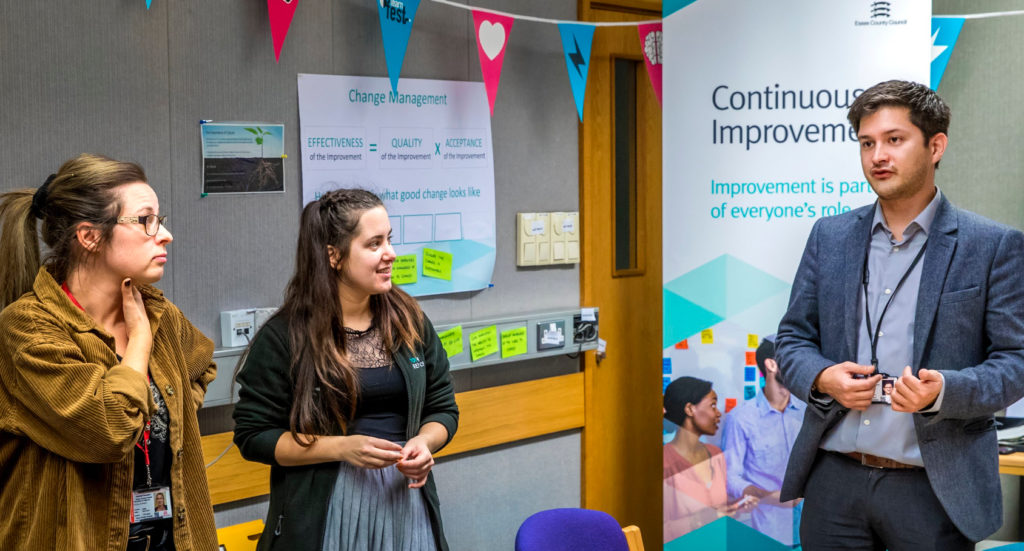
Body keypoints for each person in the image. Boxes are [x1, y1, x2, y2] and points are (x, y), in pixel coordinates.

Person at [776, 80, 1024, 549]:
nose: (877, 156)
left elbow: (1016, 361)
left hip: (933, 486)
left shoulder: (990, 246)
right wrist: (824, 377)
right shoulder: (830, 238)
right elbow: (791, 340)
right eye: (867, 143)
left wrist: (945, 392)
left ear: (935, 146)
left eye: (894, 140)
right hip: (834, 481)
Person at [0, 154, 218, 551]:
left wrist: (164, 411)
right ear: (89, 236)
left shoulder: (157, 312)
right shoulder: (29, 327)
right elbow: (108, 432)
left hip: (172, 537)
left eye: (160, 219)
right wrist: (138, 345)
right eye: (146, 220)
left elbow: (202, 365)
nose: (165, 234)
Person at [233, 189, 459, 551]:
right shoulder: (285, 337)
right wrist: (341, 448)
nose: (391, 254)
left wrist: (424, 443)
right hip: (326, 511)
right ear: (334, 255)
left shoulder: (410, 321)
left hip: (405, 504)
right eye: (374, 244)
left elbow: (442, 408)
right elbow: (254, 435)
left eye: (389, 240)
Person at [721, 335, 805, 546]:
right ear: (771, 364)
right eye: (792, 360)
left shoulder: (808, 412)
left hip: (811, 529)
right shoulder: (741, 418)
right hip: (767, 531)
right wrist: (767, 495)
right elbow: (731, 476)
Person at [663, 376, 756, 543]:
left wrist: (737, 506)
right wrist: (697, 519)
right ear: (690, 409)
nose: (718, 413)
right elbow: (657, 530)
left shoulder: (716, 455)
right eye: (713, 405)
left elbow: (718, 509)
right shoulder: (664, 462)